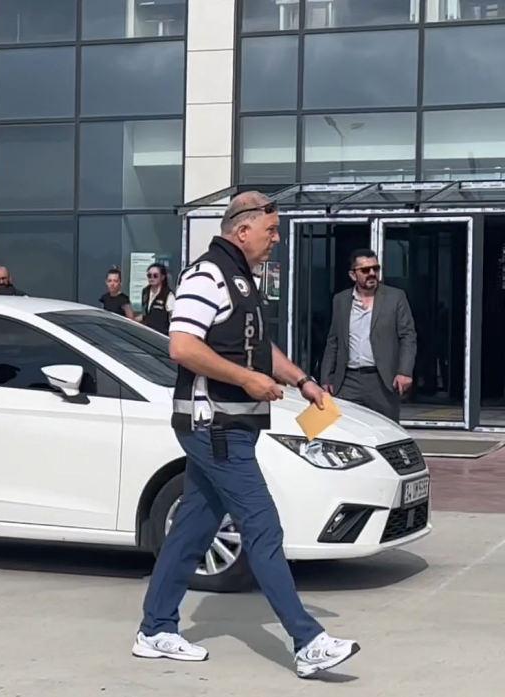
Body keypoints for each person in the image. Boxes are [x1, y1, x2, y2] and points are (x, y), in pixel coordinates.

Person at [135, 192, 359, 678]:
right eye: (270, 231)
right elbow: (182, 346)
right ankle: (307, 641)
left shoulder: (242, 280)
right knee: (263, 525)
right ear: (242, 230)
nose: (276, 240)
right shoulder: (207, 276)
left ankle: (155, 629)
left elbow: (257, 347)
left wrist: (302, 381)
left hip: (232, 426)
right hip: (214, 426)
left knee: (193, 528)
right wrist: (246, 380)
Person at [320, 249, 417, 422]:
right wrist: (326, 377)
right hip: (348, 380)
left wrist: (404, 371)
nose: (372, 273)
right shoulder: (341, 300)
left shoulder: (395, 297)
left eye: (375, 268)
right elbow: (333, 341)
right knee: (345, 428)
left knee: (385, 428)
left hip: (382, 380)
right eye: (365, 270)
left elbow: (408, 336)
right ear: (353, 275)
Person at [139, 262, 174, 335]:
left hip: (161, 335)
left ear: (162, 277)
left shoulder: (168, 295)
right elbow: (145, 314)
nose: (152, 278)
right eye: (149, 275)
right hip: (147, 333)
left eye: (155, 275)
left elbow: (173, 318)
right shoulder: (145, 292)